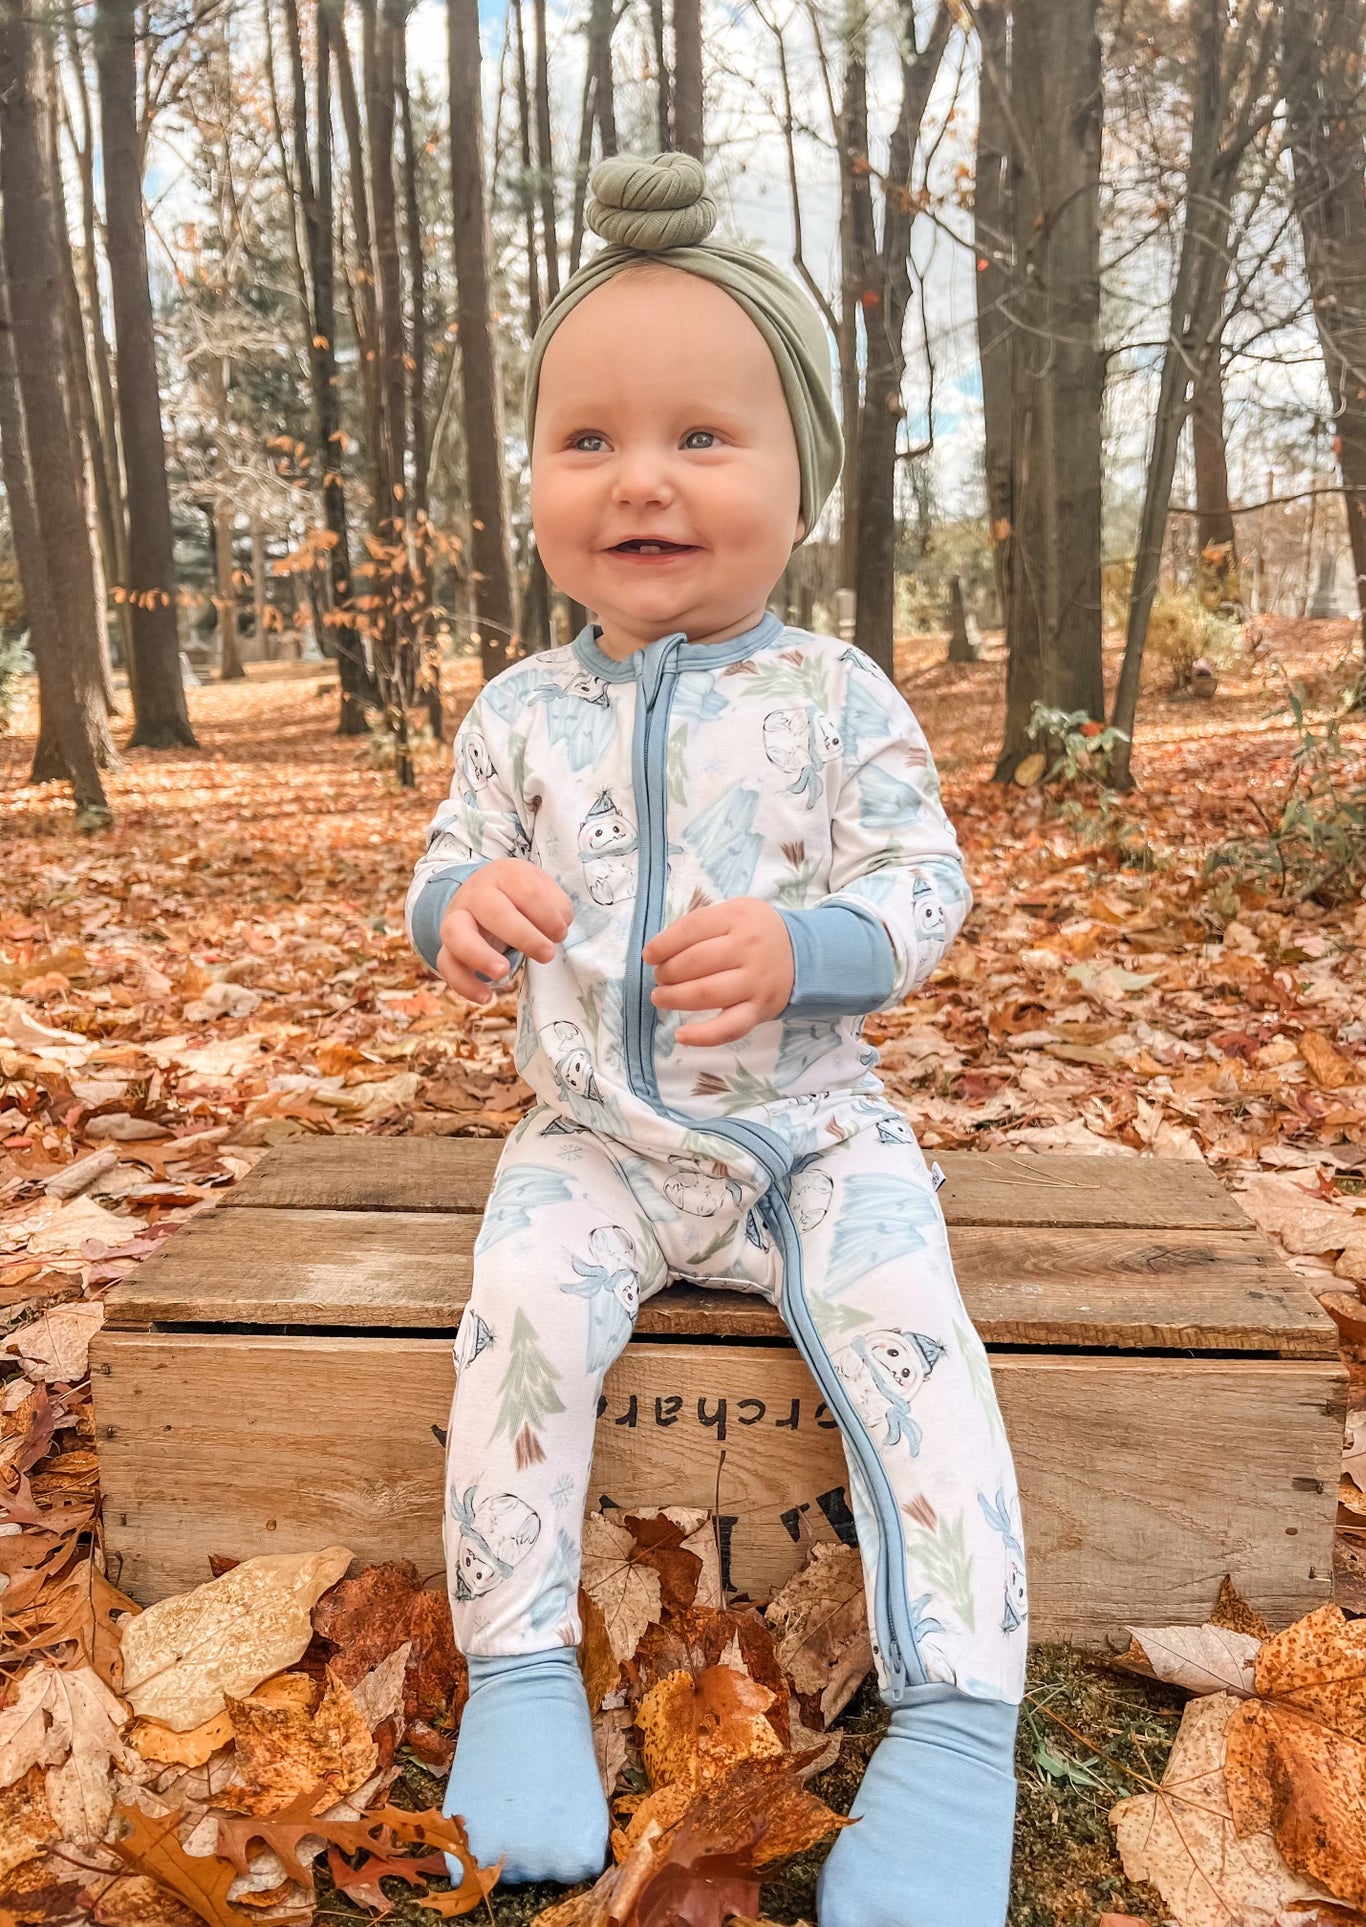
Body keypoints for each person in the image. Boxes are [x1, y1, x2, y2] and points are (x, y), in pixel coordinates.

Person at [406, 151, 1027, 1927]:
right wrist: (458, 909)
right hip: (593, 1141)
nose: (642, 479)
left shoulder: (835, 698)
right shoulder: (523, 711)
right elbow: (449, 854)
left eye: (701, 436)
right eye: (586, 440)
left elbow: (925, 885)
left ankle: (957, 1731)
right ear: (533, 479)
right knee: (514, 1318)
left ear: (798, 478)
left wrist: (812, 945)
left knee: (921, 1353)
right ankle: (522, 1684)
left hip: (816, 1137)